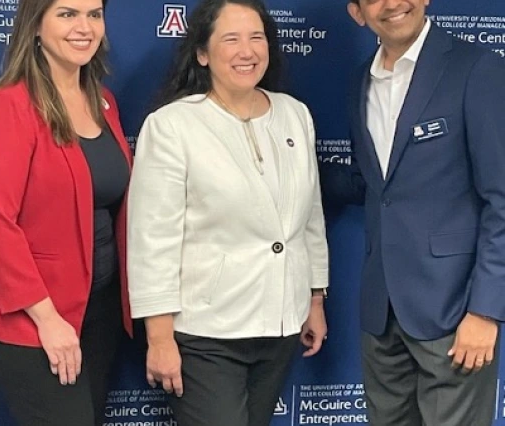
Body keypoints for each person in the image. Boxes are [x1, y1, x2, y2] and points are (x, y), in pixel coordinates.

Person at [126, 1, 329, 425]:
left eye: (256, 38)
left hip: (281, 324)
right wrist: (159, 337)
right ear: (202, 53)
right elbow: (152, 239)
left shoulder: (295, 115)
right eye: (231, 39)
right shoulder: (172, 126)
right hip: (207, 332)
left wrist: (313, 298)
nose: (247, 51)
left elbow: (309, 216)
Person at [321, 1, 505, 425]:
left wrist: (485, 312)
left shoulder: (475, 69)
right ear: (357, 12)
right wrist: (289, 172)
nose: (392, 3)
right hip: (381, 313)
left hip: (455, 312)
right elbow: (374, 184)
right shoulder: (360, 82)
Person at [0, 0, 133, 425]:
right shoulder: (10, 106)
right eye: (67, 14)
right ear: (36, 26)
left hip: (99, 316)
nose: (84, 27)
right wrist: (47, 319)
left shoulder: (104, 104)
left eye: (94, 14)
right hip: (35, 323)